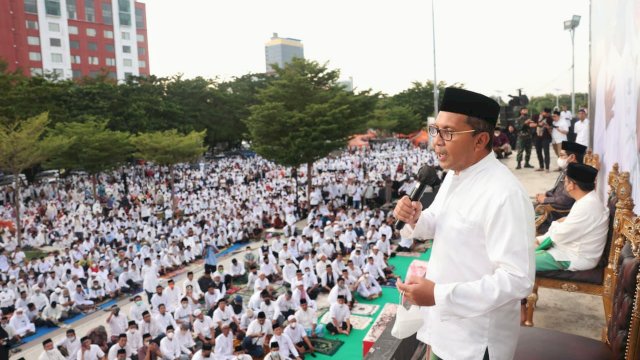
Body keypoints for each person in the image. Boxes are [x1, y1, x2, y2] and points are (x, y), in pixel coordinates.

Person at [395, 87, 534, 360]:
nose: (436, 141)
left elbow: (518, 280)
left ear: (480, 140)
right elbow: (439, 222)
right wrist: (416, 217)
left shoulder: (505, 194)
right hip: (444, 329)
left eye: (448, 132)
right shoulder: (455, 175)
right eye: (436, 130)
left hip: (475, 342)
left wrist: (440, 295)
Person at [535, 163, 609, 271]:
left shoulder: (587, 206)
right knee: (523, 252)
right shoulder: (587, 200)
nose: (564, 185)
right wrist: (540, 239)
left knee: (521, 262)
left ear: (572, 185)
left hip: (574, 257)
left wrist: (555, 224)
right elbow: (564, 230)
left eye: (565, 181)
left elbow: (560, 235)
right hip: (567, 249)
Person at [535, 141, 587, 233]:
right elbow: (557, 188)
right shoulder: (568, 169)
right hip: (553, 205)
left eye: (562, 155)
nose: (559, 159)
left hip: (557, 213)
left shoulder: (575, 175)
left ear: (572, 157)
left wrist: (545, 200)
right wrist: (546, 194)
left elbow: (565, 200)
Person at [534, 108, 553, 172]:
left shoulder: (550, 119)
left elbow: (551, 129)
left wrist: (548, 127)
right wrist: (538, 124)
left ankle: (547, 168)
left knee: (546, 152)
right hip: (537, 137)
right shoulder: (535, 116)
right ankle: (541, 167)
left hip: (546, 137)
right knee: (538, 152)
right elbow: (531, 125)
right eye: (546, 113)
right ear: (542, 112)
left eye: (549, 113)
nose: (548, 114)